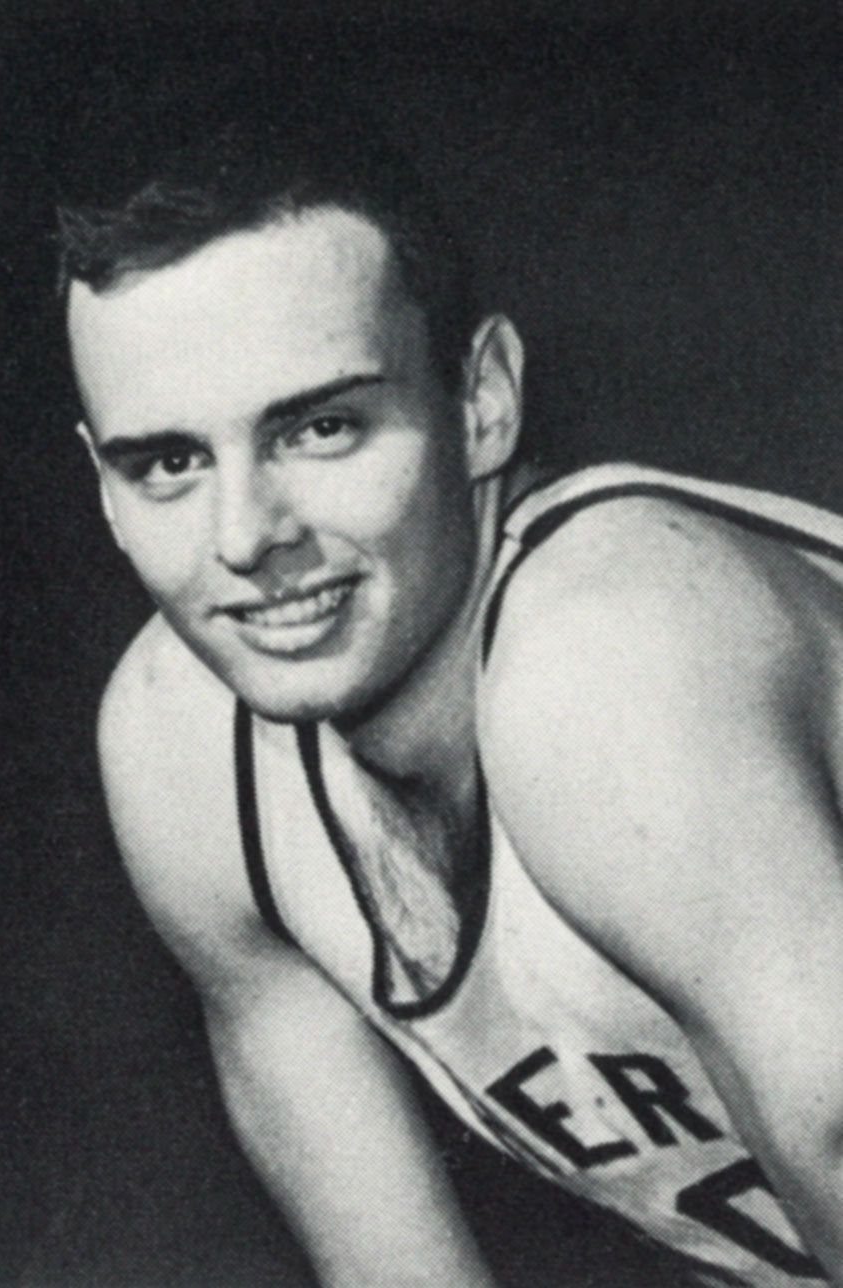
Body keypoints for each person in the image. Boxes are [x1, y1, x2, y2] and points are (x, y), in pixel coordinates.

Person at [58, 106, 843, 1286]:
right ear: (105, 492)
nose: (244, 540)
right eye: (167, 462)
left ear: (480, 400)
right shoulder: (186, 755)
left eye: (319, 427)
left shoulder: (609, 655)